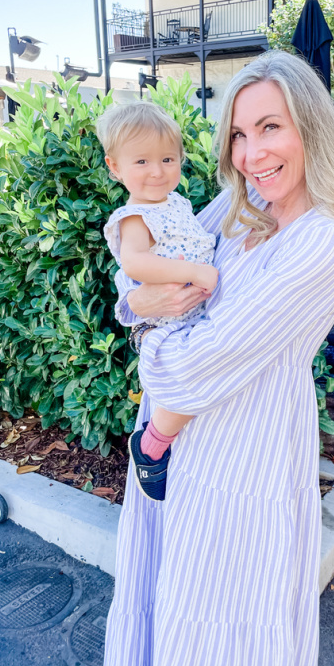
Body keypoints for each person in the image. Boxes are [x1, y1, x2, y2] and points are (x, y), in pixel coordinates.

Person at [101, 51, 334, 666]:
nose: (252, 152)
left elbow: (186, 366)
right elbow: (140, 274)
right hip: (181, 454)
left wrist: (149, 316)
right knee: (170, 612)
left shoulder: (318, 241)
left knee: (223, 640)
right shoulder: (243, 205)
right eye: (238, 132)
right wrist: (140, 302)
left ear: (309, 127)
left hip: (241, 462)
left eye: (270, 128)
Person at [97, 102, 219, 501]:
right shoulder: (134, 218)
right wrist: (194, 274)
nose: (157, 171)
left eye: (168, 159)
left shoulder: (178, 204)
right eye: (142, 161)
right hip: (168, 321)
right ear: (115, 167)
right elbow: (136, 262)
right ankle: (150, 447)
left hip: (191, 312)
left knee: (205, 378)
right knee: (193, 378)